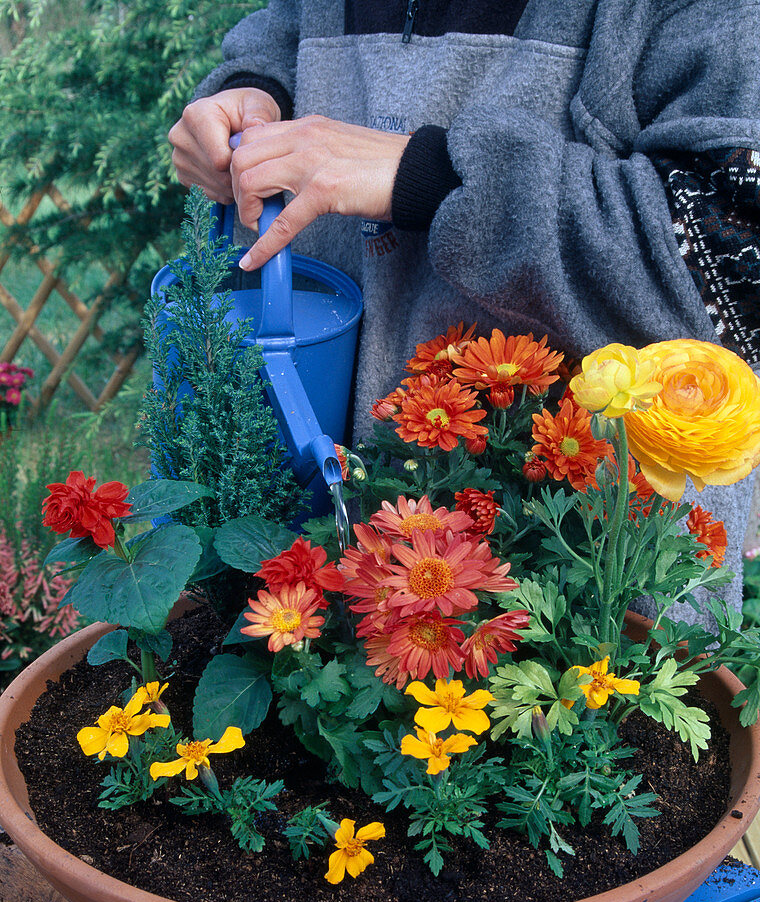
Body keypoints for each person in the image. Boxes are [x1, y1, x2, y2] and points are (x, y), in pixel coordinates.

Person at [169, 0, 760, 619]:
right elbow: (286, 24)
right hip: (308, 553)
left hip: (574, 593)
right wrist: (256, 94)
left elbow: (731, 259)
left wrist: (431, 177)